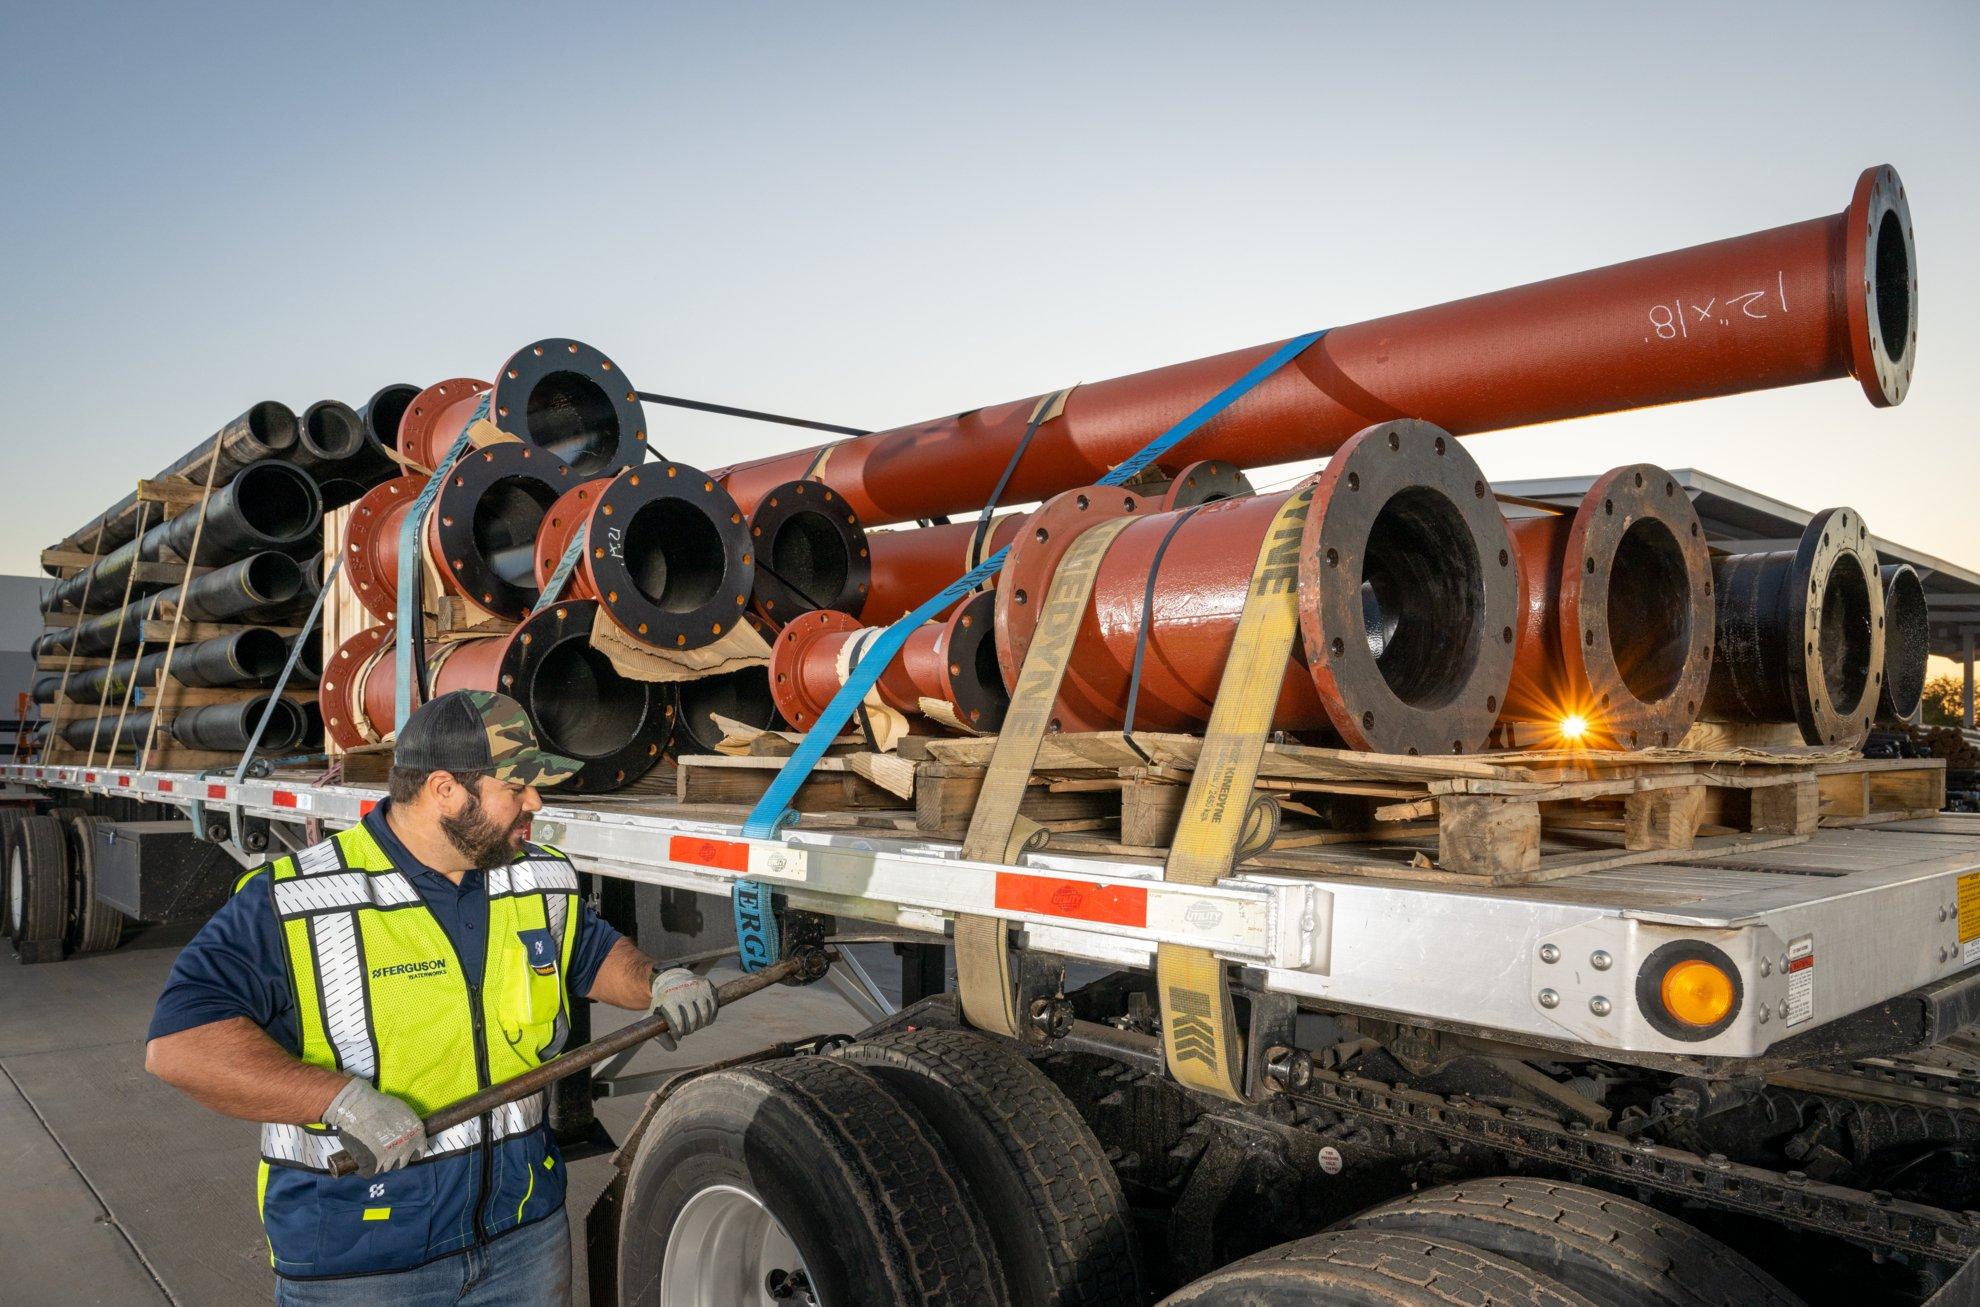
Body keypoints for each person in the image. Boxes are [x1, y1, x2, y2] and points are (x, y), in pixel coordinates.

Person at [144, 689, 720, 1304]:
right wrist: (339, 1101)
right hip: (362, 1258)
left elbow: (586, 950)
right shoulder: (296, 899)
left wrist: (657, 979)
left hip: (523, 1229)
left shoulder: (537, 874)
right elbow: (181, 1048)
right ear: (445, 790)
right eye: (516, 787)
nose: (536, 802)